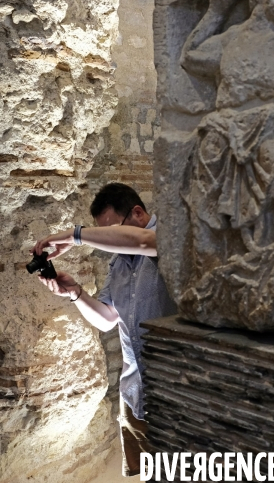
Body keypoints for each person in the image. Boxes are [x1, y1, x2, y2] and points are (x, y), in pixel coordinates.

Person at [32, 182, 177, 477]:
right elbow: (108, 319)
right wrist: (75, 293)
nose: (106, 242)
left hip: (175, 391)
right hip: (136, 391)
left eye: (110, 232)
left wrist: (75, 236)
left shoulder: (167, 238)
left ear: (138, 213)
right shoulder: (118, 262)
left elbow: (141, 242)